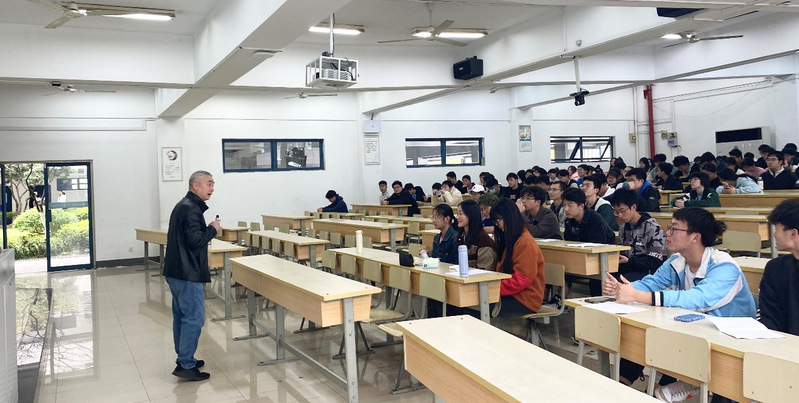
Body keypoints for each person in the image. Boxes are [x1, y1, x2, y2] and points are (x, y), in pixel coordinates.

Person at [603, 207, 755, 402]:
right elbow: (652, 283)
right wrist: (623, 287)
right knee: (642, 336)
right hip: (698, 330)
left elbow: (697, 299)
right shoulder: (677, 260)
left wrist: (639, 295)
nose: (667, 233)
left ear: (695, 237)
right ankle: (623, 387)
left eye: (674, 229)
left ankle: (691, 382)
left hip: (733, 341)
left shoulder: (724, 266)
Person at [164, 170, 221, 381]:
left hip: (176, 271)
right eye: (208, 183)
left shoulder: (184, 205)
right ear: (195, 185)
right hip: (187, 272)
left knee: (182, 316)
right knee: (194, 317)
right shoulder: (191, 209)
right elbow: (195, 241)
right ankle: (185, 364)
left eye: (213, 184)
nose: (212, 188)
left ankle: (184, 358)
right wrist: (212, 229)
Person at [589, 189, 667, 296]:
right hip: (627, 267)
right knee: (597, 281)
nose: (620, 215)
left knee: (616, 283)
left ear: (633, 207)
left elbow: (657, 260)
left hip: (646, 272)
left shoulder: (652, 228)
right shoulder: (623, 228)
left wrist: (629, 261)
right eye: (616, 212)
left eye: (622, 211)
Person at [489, 198, 546, 316]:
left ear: (509, 217)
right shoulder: (512, 239)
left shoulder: (525, 242)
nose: (497, 224)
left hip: (525, 299)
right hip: (512, 294)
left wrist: (492, 288)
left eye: (499, 220)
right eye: (495, 221)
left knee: (478, 306)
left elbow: (522, 279)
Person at [759, 199, 799, 335]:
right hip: (783, 344)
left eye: (777, 229)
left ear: (793, 233)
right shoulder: (775, 269)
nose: (774, 235)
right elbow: (769, 318)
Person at [456, 200, 497, 271]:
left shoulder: (483, 239)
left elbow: (485, 269)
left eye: (461, 214)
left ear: (471, 215)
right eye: (457, 213)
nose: (457, 217)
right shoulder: (462, 236)